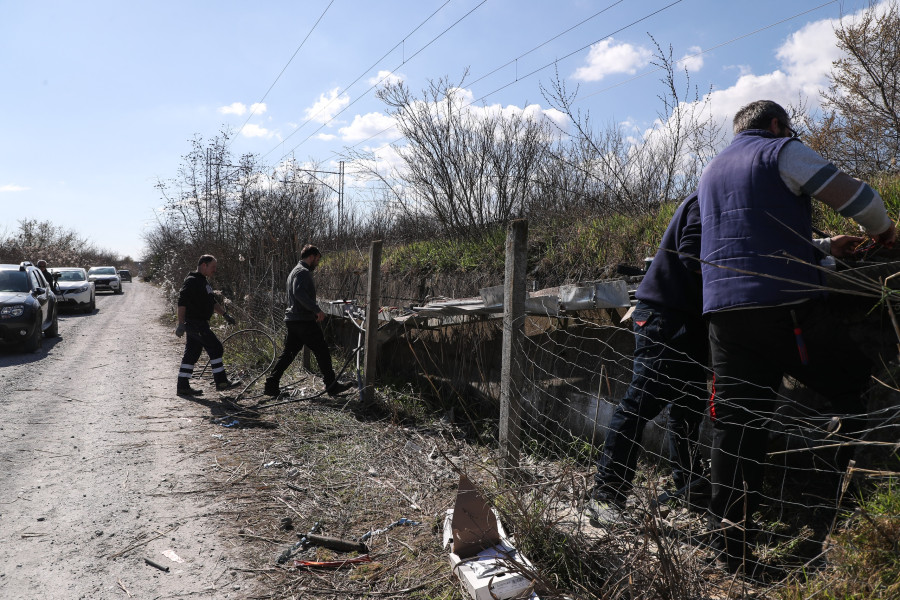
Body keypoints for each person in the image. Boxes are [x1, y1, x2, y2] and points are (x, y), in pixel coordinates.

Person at [697, 100, 896, 575]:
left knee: (738, 427)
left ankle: (734, 554)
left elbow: (754, 234)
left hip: (724, 314)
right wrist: (884, 231)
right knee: (853, 382)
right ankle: (841, 501)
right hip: (781, 305)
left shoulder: (712, 170)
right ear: (775, 124)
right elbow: (862, 200)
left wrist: (824, 247)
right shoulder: (779, 150)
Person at [587, 191, 710, 525]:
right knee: (640, 402)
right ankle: (606, 496)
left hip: (693, 318)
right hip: (664, 316)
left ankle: (689, 483)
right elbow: (692, 254)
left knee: (688, 406)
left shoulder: (727, 202)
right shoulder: (707, 201)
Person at [264, 245, 353, 398]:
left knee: (288, 354)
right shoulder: (303, 272)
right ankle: (331, 386)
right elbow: (299, 293)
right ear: (311, 257)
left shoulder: (295, 271)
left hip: (293, 320)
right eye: (317, 259)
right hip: (303, 320)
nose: (317, 263)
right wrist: (316, 309)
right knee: (322, 351)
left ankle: (271, 385)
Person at [174, 254, 239, 396]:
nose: (215, 270)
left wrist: (225, 315)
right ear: (204, 265)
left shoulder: (203, 282)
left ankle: (182, 386)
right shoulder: (192, 281)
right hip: (195, 323)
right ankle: (221, 382)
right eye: (213, 267)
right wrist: (180, 323)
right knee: (216, 348)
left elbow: (212, 302)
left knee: (191, 354)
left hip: (199, 323)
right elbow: (182, 302)